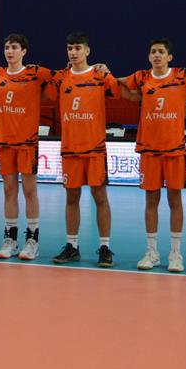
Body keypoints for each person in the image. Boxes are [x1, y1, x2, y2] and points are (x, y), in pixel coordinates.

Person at [120, 39, 186, 273]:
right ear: (149, 57)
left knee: (175, 201)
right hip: (149, 150)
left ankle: (175, 253)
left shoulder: (183, 76)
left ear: (169, 57)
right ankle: (152, 252)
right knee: (151, 201)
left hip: (174, 149)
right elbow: (120, 86)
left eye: (161, 52)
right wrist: (102, 72)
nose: (157, 55)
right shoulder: (142, 77)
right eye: (153, 52)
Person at [0, 34, 53, 260]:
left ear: (24, 51)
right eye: (6, 47)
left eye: (14, 47)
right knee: (9, 190)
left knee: (30, 191)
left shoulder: (36, 73)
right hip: (4, 143)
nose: (9, 51)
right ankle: (10, 240)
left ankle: (32, 241)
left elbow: (64, 77)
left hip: (27, 144)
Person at [51, 32, 119, 267]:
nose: (73, 52)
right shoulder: (61, 77)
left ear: (87, 51)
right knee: (71, 198)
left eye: (78, 48)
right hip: (70, 149)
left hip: (95, 149)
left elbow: (119, 91)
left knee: (100, 197)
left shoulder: (100, 75)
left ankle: (105, 248)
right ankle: (72, 246)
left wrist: (108, 71)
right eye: (70, 48)